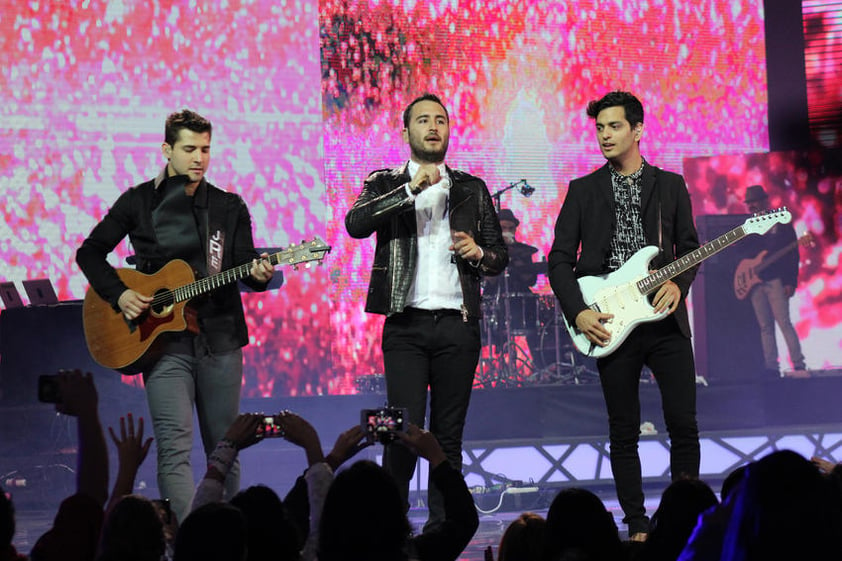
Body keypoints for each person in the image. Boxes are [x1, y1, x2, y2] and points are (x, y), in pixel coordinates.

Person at [76, 109, 276, 524]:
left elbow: (243, 266)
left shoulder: (228, 206)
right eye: (189, 149)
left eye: (205, 149)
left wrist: (258, 275)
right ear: (167, 149)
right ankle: (187, 542)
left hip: (219, 340)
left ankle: (224, 539)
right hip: (160, 344)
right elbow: (89, 253)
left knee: (226, 448)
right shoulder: (138, 201)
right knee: (173, 447)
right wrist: (121, 294)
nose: (199, 157)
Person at [345, 93, 508, 529]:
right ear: (406, 132)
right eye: (423, 120)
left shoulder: (471, 188)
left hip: (458, 325)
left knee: (447, 438)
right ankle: (388, 531)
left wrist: (478, 254)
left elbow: (499, 257)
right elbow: (355, 223)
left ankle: (443, 531)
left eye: (440, 120)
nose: (433, 126)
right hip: (405, 326)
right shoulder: (384, 181)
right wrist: (409, 190)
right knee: (399, 432)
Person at [548, 91, 701, 539]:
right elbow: (559, 259)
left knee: (683, 423)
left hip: (664, 317)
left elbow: (689, 249)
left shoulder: (670, 185)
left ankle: (684, 520)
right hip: (610, 321)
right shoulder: (583, 190)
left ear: (637, 130)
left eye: (614, 127)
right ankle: (636, 523)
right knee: (623, 430)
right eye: (599, 128)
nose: (605, 136)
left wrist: (679, 282)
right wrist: (577, 312)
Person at [742, 184, 806, 375]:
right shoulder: (748, 226)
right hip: (756, 282)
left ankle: (798, 364)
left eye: (754, 201)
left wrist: (790, 281)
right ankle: (771, 367)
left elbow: (793, 254)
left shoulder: (781, 223)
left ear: (763, 201)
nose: (751, 205)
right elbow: (741, 252)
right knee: (765, 327)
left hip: (776, 280)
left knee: (784, 323)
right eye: (749, 202)